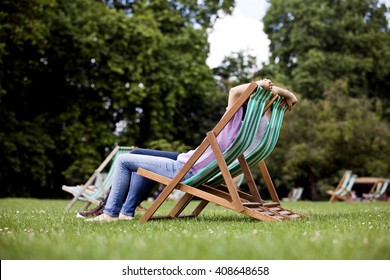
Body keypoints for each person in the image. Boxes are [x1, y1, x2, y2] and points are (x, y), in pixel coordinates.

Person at [86, 79, 296, 222]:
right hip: (200, 170)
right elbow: (287, 99)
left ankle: (110, 213)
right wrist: (280, 93)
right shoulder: (255, 132)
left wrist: (258, 84)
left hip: (187, 168)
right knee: (138, 160)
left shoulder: (230, 123)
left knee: (124, 160)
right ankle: (125, 211)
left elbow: (234, 92)